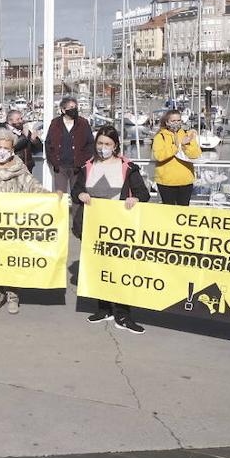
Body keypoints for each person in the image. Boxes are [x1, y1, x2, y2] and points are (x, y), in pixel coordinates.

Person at [73, 126, 150, 334]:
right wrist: (80, 194)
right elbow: (76, 190)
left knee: (120, 269)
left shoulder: (127, 167)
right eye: (100, 143)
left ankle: (123, 314)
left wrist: (135, 199)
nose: (103, 147)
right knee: (99, 267)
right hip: (92, 226)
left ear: (115, 145)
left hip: (120, 228)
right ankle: (104, 308)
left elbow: (144, 193)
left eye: (107, 144)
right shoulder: (88, 166)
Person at [0, 132, 51, 314]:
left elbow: (33, 186)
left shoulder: (19, 169)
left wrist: (51, 197)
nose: (2, 151)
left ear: (12, 150)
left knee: (11, 259)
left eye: (6, 148)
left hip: (12, 224)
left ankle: (13, 295)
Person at [152, 110, 202, 206]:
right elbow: (159, 156)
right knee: (169, 213)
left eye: (178, 120)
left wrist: (185, 145)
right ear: (167, 122)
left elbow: (196, 154)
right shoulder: (160, 136)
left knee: (183, 211)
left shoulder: (187, 134)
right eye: (173, 121)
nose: (176, 123)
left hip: (185, 181)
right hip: (166, 182)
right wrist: (178, 146)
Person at [45, 97, 94, 193]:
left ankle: (76, 209)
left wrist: (83, 160)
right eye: (71, 107)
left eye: (75, 107)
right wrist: (54, 162)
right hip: (60, 167)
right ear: (63, 110)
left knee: (77, 194)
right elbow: (48, 143)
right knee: (60, 195)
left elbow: (90, 144)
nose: (74, 110)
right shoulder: (55, 123)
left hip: (77, 167)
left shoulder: (83, 123)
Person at [4, 109, 38, 174]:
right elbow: (14, 145)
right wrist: (25, 136)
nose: (21, 121)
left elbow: (38, 148)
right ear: (10, 121)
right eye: (18, 119)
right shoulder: (4, 131)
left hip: (27, 167)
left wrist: (34, 140)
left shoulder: (23, 130)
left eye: (21, 118)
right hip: (13, 168)